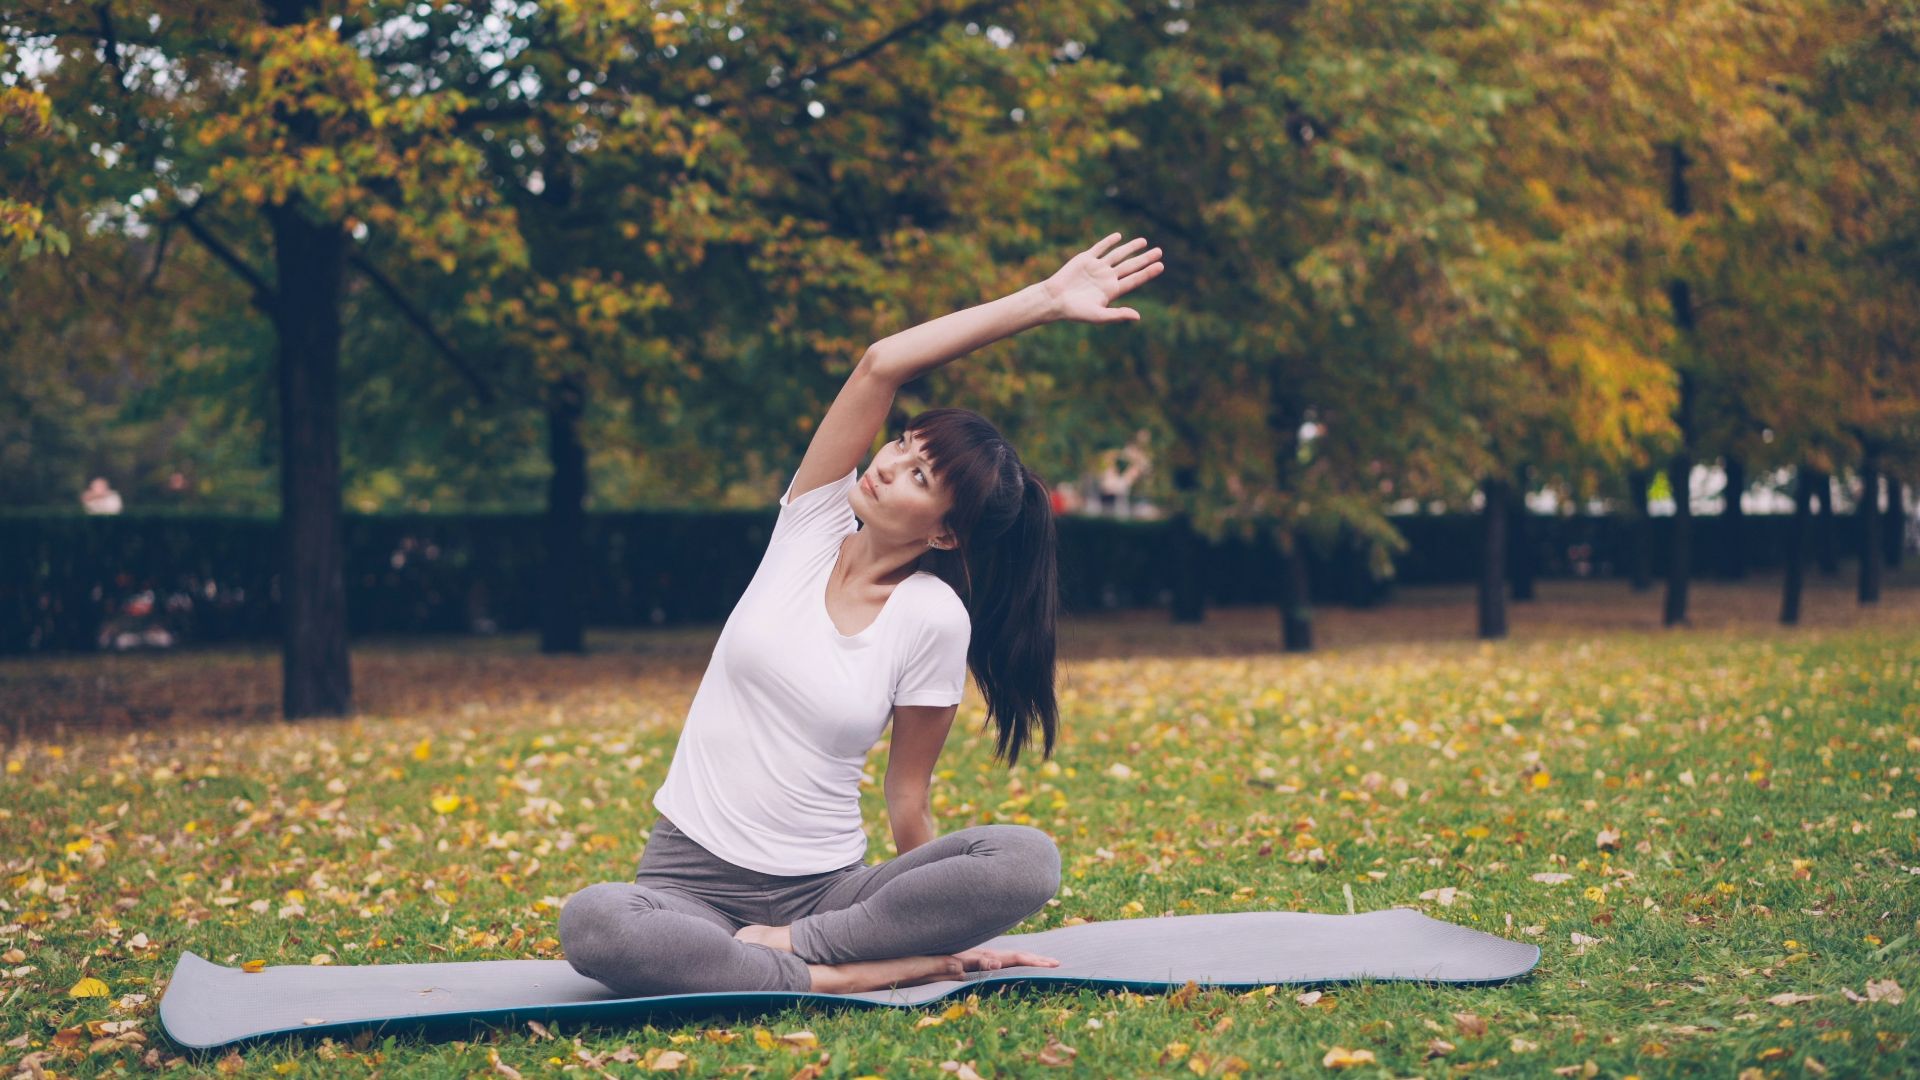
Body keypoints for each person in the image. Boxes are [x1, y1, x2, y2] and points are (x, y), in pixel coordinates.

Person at [558, 233, 1167, 997]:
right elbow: (881, 362)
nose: (886, 463)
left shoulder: (933, 618)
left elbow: (905, 796)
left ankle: (800, 957)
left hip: (829, 898)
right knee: (596, 922)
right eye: (904, 444)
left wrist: (944, 924)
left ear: (944, 533)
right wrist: (1043, 301)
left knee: (1027, 858)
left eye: (919, 473)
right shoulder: (809, 525)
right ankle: (840, 978)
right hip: (687, 887)